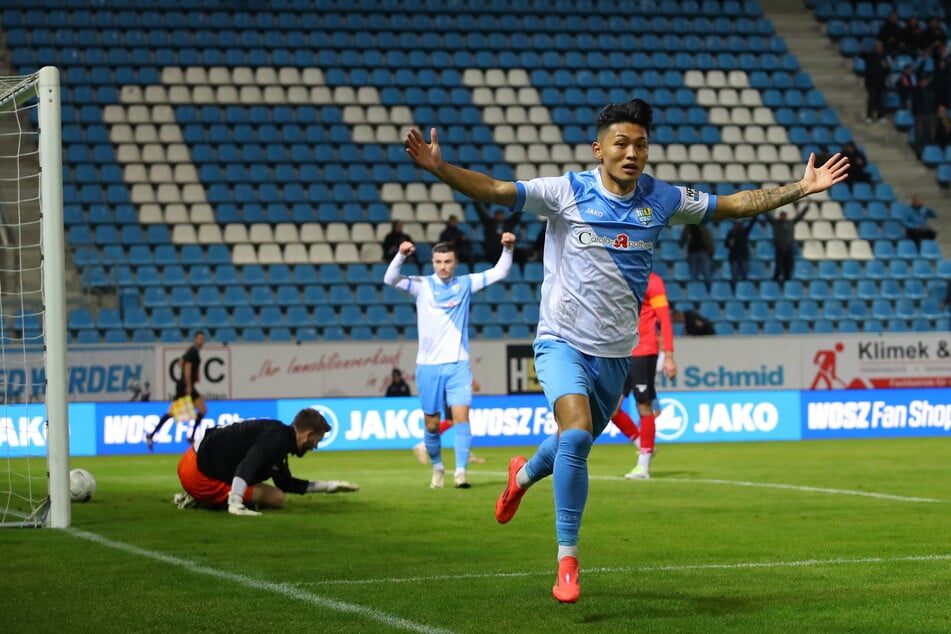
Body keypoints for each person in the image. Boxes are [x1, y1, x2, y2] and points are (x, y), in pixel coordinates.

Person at [404, 99, 849, 603]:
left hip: (616, 353)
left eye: (640, 144)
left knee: (576, 444)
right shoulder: (565, 191)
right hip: (561, 340)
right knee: (574, 438)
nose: (632, 152)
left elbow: (735, 204)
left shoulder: (660, 198)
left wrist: (800, 188)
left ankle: (522, 475)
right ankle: (567, 561)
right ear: (599, 149)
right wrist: (439, 168)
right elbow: (496, 189)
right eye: (621, 143)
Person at [383, 234, 516, 489]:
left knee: (461, 417)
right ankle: (438, 467)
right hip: (428, 366)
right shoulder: (422, 285)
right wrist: (401, 255)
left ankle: (461, 473)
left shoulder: (465, 284)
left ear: (456, 263)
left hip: (458, 364)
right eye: (438, 261)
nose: (442, 266)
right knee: (432, 424)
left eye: (447, 261)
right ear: (432, 262)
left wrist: (508, 248)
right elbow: (389, 279)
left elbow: (500, 271)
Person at [173, 407, 359, 515]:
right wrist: (236, 502)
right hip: (198, 473)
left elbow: (286, 483)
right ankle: (202, 498)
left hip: (192, 461)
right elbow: (248, 464)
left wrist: (329, 487)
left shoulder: (278, 437)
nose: (315, 446)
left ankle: (201, 496)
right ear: (308, 434)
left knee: (277, 493)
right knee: (275, 498)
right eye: (316, 441)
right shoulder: (276, 440)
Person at [609, 272, 677, 480]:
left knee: (644, 405)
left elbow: (664, 320)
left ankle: (643, 466)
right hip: (620, 350)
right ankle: (642, 441)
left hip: (644, 349)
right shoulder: (617, 277)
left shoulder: (653, 282)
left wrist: (669, 356)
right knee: (611, 408)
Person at [145, 331, 207, 451]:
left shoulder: (192, 351)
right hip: (185, 386)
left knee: (202, 409)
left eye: (203, 339)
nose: (201, 341)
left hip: (184, 385)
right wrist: (188, 384)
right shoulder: (193, 352)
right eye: (199, 338)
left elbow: (180, 363)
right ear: (195, 339)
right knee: (172, 413)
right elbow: (187, 367)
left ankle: (190, 436)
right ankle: (151, 434)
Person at [411, 377, 486, 465]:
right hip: (455, 398)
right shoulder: (461, 370)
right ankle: (423, 445)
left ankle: (466, 453)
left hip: (452, 397)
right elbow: (476, 387)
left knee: (454, 422)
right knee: (460, 422)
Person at [761, 206, 808, 286]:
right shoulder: (776, 223)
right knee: (779, 264)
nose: (783, 217)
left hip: (789, 247)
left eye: (784, 215)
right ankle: (776, 278)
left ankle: (787, 278)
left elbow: (799, 216)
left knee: (788, 264)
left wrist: (806, 208)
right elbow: (768, 217)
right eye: (782, 215)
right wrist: (762, 209)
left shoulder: (790, 223)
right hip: (779, 247)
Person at [862, 40, 891, 123]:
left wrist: (885, 67)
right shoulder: (870, 56)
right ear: (875, 47)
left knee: (880, 100)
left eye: (880, 46)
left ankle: (880, 116)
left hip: (881, 83)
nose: (879, 48)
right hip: (871, 82)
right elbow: (862, 55)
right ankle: (869, 116)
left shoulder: (884, 57)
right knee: (871, 99)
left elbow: (887, 69)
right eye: (877, 46)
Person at [678, 223, 714, 289]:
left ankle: (709, 291)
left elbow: (708, 238)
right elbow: (682, 239)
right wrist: (684, 240)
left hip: (703, 252)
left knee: (706, 273)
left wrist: (711, 251)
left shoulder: (703, 226)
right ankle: (696, 290)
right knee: (694, 274)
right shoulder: (688, 227)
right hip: (693, 253)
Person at [724, 218, 757, 289]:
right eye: (737, 224)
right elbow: (726, 245)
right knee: (734, 276)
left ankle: (744, 290)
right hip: (734, 257)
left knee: (744, 275)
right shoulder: (731, 233)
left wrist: (755, 217)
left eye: (739, 224)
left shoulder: (744, 231)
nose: (738, 225)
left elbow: (751, 224)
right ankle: (734, 290)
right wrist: (729, 244)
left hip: (743, 256)